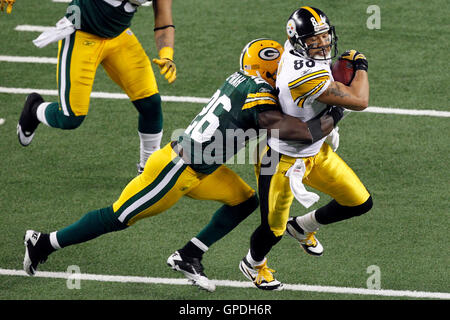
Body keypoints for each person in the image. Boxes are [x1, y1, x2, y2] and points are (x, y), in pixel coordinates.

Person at [23, 38, 343, 293]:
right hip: (176, 170)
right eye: (282, 68)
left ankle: (189, 254)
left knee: (244, 201)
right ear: (270, 72)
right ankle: (45, 242)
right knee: (118, 216)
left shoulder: (245, 80)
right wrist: (333, 116)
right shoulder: (259, 91)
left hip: (204, 166)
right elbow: (290, 130)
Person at [239, 6, 373, 291]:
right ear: (300, 42)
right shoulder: (302, 74)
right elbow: (360, 100)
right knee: (272, 230)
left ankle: (302, 226)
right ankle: (253, 264)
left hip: (315, 153)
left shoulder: (299, 49)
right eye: (314, 40)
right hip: (281, 160)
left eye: (324, 35)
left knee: (360, 202)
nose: (323, 43)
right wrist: (360, 66)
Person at [17, 0, 176, 173]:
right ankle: (34, 108)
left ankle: (148, 170)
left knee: (150, 103)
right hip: (81, 33)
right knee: (70, 117)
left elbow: (164, 21)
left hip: (118, 36)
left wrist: (166, 54)